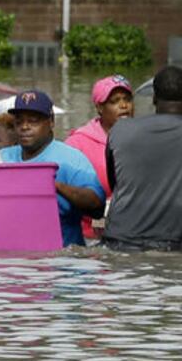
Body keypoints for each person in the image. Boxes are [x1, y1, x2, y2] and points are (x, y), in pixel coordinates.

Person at [101, 66, 182, 252]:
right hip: (167, 250)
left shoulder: (119, 132)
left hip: (113, 243)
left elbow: (116, 182)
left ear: (154, 98)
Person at [0, 89, 105, 247]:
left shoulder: (71, 159)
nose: (25, 127)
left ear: (51, 122)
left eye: (33, 120)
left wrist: (55, 186)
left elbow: (97, 207)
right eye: (19, 121)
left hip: (62, 261)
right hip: (14, 258)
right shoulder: (1, 158)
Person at [65, 74, 135, 239]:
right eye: (114, 101)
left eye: (127, 99)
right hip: (89, 235)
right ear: (99, 108)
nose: (124, 105)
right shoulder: (77, 144)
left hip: (132, 231)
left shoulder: (144, 139)